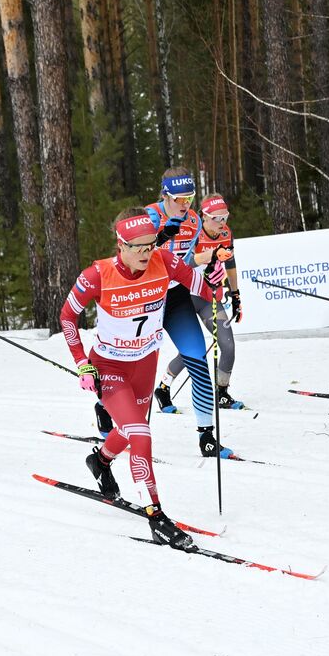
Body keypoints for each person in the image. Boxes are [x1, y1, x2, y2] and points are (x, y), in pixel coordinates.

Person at [61, 207, 226, 550]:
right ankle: (157, 516)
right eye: (136, 246)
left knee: (126, 428)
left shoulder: (163, 260)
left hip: (146, 363)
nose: (144, 252)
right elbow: (67, 317)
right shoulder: (97, 274)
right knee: (141, 432)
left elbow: (201, 287)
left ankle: (101, 460)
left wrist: (214, 280)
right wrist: (81, 362)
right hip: (110, 367)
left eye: (150, 244)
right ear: (120, 244)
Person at [135, 166, 231, 457]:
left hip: (175, 295)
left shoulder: (193, 221)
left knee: (197, 357)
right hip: (144, 297)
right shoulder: (149, 214)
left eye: (189, 197)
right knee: (132, 365)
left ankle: (206, 436)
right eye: (178, 198)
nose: (184, 203)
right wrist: (162, 236)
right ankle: (107, 412)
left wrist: (210, 269)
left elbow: (186, 260)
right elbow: (134, 257)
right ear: (165, 194)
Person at [154, 193, 244, 412]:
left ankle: (221, 393)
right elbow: (181, 262)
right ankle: (164, 387)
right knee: (193, 350)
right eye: (216, 218)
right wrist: (208, 260)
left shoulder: (225, 233)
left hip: (207, 297)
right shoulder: (193, 231)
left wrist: (235, 294)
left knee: (228, 345)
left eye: (225, 217)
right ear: (204, 216)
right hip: (184, 295)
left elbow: (230, 263)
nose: (221, 223)